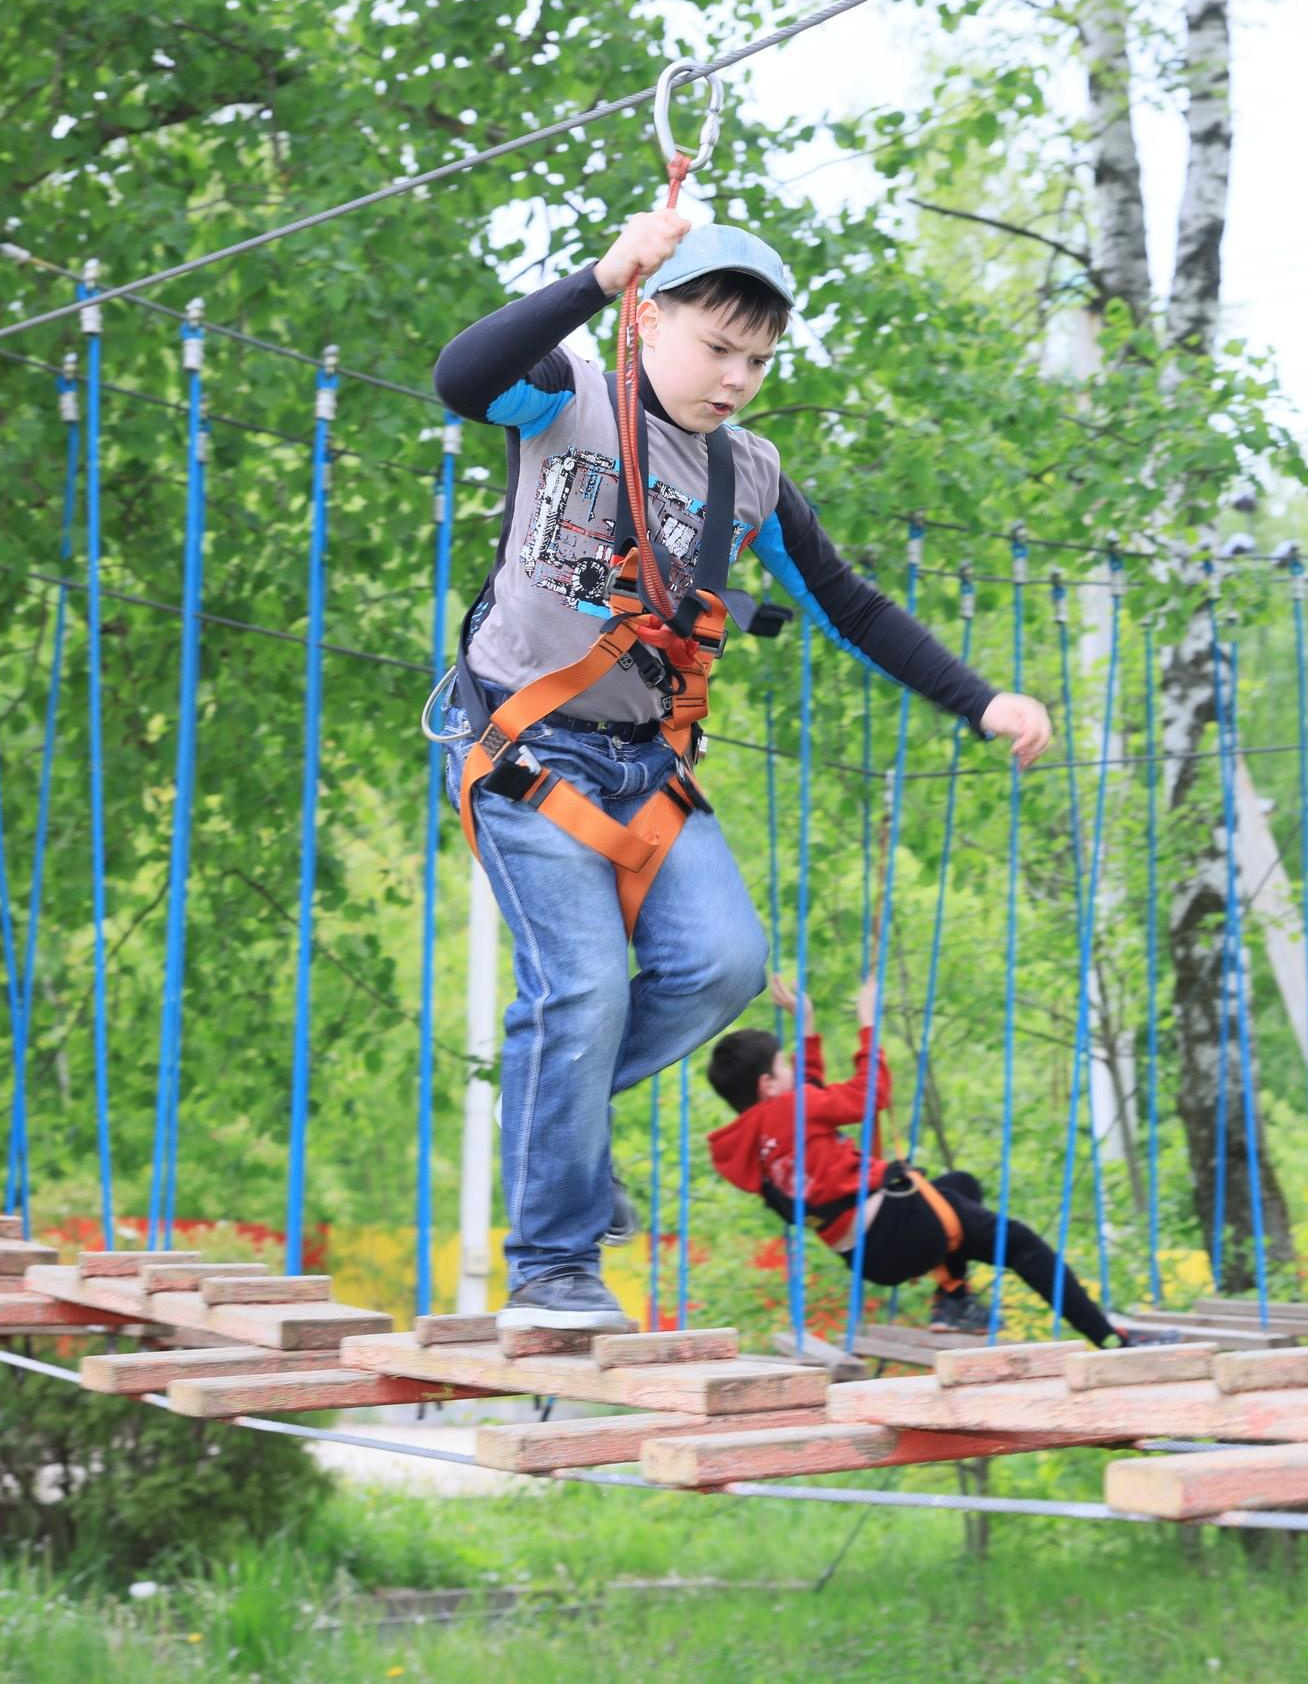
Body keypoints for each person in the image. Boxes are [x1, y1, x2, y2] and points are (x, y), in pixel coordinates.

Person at [431, 212, 1054, 1330]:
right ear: (649, 318)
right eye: (718, 347)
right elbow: (461, 376)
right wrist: (596, 274)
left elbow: (849, 603)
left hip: (645, 769)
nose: (737, 378)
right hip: (521, 752)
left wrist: (980, 699)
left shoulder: (748, 473)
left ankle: (554, 1115)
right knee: (583, 990)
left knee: (724, 966)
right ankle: (553, 1265)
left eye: (757, 361)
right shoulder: (566, 396)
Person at [704, 976, 1147, 1349]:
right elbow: (871, 1093)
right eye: (785, 1066)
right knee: (1020, 1243)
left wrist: (808, 1027)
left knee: (961, 1185)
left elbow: (808, 1095)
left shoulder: (756, 1141)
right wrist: (868, 1023)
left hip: (868, 1254)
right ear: (767, 1085)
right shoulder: (789, 1109)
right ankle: (1109, 1339)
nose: (793, 1072)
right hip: (900, 1226)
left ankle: (954, 1298)